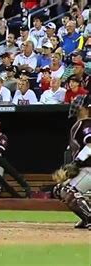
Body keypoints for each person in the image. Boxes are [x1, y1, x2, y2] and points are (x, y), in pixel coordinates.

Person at [52, 95, 91, 230]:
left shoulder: (86, 124)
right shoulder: (80, 124)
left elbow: (90, 145)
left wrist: (76, 164)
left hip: (89, 168)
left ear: (84, 108)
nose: (75, 105)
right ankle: (86, 217)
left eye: (78, 104)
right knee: (59, 189)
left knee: (69, 192)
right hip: (85, 169)